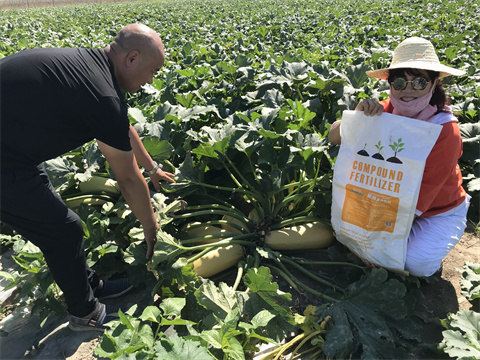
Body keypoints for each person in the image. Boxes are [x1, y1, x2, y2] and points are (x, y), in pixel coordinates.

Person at [0, 23, 175, 331]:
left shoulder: (92, 68)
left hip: (14, 149)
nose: (150, 81)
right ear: (132, 58)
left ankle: (88, 284)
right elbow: (128, 180)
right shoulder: (101, 92)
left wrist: (152, 168)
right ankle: (85, 314)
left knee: (54, 218)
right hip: (5, 159)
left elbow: (119, 123)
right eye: (153, 71)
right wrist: (151, 227)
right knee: (64, 229)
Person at [328, 37, 471, 277]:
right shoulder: (386, 109)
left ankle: (446, 230)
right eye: (400, 81)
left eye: (419, 82)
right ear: (390, 84)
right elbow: (334, 136)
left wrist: (372, 244)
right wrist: (357, 118)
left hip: (437, 209)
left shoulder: (445, 129)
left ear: (434, 84)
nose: (408, 90)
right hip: (390, 201)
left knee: (417, 264)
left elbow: (419, 198)